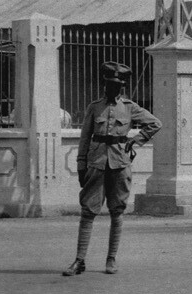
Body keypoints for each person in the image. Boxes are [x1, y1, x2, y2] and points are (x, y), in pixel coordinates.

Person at [63, 61, 162, 276]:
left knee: (117, 211)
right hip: (96, 163)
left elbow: (155, 123)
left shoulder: (129, 107)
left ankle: (111, 259)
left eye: (117, 85)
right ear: (104, 84)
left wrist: (136, 141)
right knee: (88, 211)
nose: (113, 88)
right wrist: (81, 164)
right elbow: (85, 137)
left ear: (122, 87)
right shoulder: (94, 107)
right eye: (109, 84)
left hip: (120, 163)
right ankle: (79, 260)